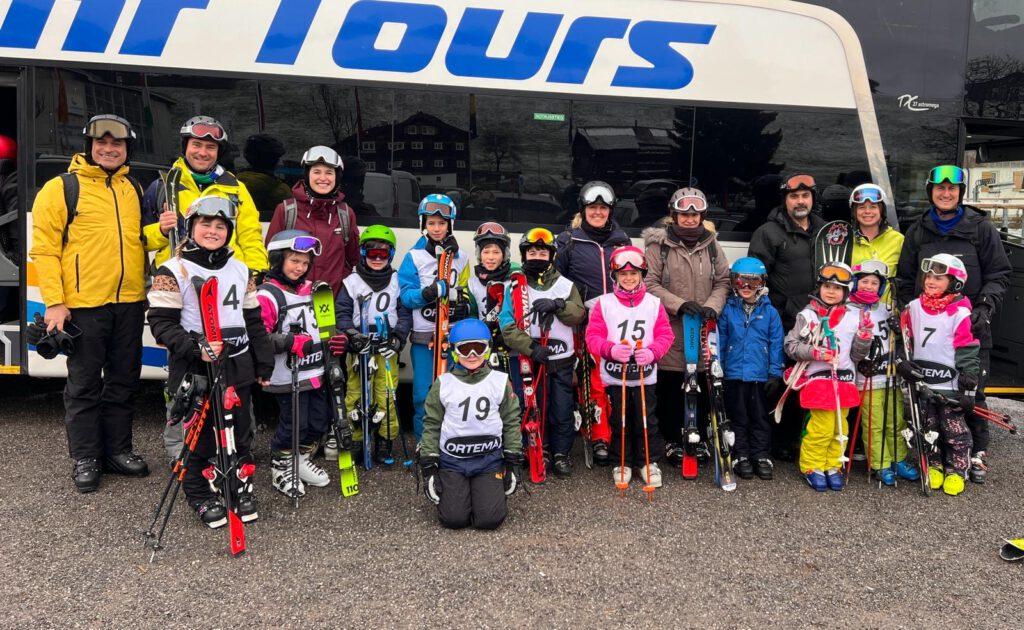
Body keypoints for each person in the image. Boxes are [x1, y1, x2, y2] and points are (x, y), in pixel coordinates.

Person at [30, 114, 158, 493]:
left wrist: (161, 229)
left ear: (126, 150)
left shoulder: (133, 187)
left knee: (123, 381)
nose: (109, 149)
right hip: (83, 305)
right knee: (84, 385)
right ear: (89, 147)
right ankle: (86, 457)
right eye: (101, 144)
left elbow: (138, 240)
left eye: (117, 145)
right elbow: (45, 250)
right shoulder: (62, 188)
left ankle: (118, 451)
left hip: (130, 302)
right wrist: (55, 302)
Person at [147, 197, 273, 527]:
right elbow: (161, 323)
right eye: (205, 224)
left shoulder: (241, 268)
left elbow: (254, 320)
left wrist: (264, 364)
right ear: (191, 227)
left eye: (221, 226)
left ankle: (238, 485)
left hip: (237, 363)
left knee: (239, 432)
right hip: (196, 367)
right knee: (199, 438)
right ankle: (199, 493)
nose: (213, 231)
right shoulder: (174, 270)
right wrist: (195, 347)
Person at [896, 165, 1010, 484]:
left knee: (970, 390)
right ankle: (936, 453)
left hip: (968, 325)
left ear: (960, 193)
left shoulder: (980, 227)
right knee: (931, 393)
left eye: (953, 189)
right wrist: (913, 311)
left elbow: (999, 274)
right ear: (930, 191)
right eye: (939, 188)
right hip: (931, 330)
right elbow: (905, 278)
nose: (946, 194)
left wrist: (985, 306)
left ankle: (975, 454)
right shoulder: (919, 230)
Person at [642, 187, 730, 467]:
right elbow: (649, 283)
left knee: (701, 384)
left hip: (702, 324)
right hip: (671, 326)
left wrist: (712, 307)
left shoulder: (712, 246)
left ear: (702, 216)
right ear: (674, 215)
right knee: (670, 387)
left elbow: (723, 281)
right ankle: (671, 439)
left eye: (695, 214)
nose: (690, 219)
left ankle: (698, 438)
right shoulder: (659, 247)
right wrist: (677, 304)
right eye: (684, 214)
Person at [748, 173, 826, 460]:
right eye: (794, 196)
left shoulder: (826, 230)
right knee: (780, 382)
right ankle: (774, 441)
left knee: (812, 379)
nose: (800, 201)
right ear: (785, 200)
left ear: (813, 199)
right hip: (783, 319)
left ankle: (801, 439)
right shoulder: (768, 232)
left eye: (805, 196)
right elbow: (755, 280)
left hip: (819, 320)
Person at [419, 318, 523, 530]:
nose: (472, 355)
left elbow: (511, 422)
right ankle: (460, 495)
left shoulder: (500, 382)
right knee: (453, 519)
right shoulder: (443, 384)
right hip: (453, 462)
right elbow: (431, 424)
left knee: (489, 520)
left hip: (488, 460)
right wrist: (429, 466)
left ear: (487, 350)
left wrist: (513, 461)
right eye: (465, 349)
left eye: (478, 348)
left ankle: (483, 494)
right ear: (455, 352)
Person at [554, 181, 630, 462]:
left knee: (620, 379)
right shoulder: (568, 241)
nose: (598, 212)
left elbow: (633, 278)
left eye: (603, 208)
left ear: (610, 210)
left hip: (621, 320)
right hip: (587, 321)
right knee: (594, 379)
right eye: (592, 208)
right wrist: (572, 308)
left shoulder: (622, 241)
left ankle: (621, 432)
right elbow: (556, 282)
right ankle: (598, 434)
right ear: (583, 210)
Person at [499, 227, 585, 478]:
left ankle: (561, 453)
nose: (537, 256)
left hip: (560, 359)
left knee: (561, 408)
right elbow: (507, 325)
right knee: (534, 406)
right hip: (532, 359)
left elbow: (578, 314)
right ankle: (539, 448)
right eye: (532, 252)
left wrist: (558, 305)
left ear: (551, 255)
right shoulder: (515, 287)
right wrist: (531, 348)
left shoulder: (566, 285)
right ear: (524, 256)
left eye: (542, 252)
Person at [585, 246, 674, 487]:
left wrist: (653, 351)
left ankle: (648, 461)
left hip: (645, 374)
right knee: (620, 419)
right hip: (616, 375)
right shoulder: (604, 304)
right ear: (614, 276)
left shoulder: (654, 303)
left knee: (646, 418)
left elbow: (665, 334)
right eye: (623, 274)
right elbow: (592, 336)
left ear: (642, 274)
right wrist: (609, 349)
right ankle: (621, 461)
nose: (628, 278)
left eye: (634, 273)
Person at [784, 262, 873, 491]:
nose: (831, 291)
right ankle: (812, 465)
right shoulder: (808, 315)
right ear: (819, 287)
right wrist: (815, 352)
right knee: (821, 427)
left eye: (837, 287)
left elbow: (857, 355)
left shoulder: (854, 316)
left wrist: (864, 336)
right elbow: (791, 346)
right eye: (826, 286)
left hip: (844, 378)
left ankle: (833, 464)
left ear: (846, 291)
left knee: (839, 426)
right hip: (819, 378)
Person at [256, 230, 333, 498]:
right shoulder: (268, 295)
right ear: (278, 260)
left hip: (315, 371)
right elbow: (259, 338)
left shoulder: (312, 289)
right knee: (294, 424)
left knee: (317, 422)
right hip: (287, 375)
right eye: (294, 261)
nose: (300, 268)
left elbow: (324, 327)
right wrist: (289, 341)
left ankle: (298, 461)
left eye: (304, 263)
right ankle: (281, 467)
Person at [897, 254, 980, 496]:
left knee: (953, 429)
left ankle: (957, 470)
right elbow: (905, 339)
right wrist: (903, 361)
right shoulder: (913, 307)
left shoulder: (960, 312)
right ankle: (933, 465)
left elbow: (967, 347)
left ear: (955, 283)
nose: (931, 281)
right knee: (926, 426)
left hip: (948, 382)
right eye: (929, 276)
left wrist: (968, 381)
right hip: (922, 380)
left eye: (939, 278)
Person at [142, 115, 269, 274]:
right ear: (185, 147)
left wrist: (256, 273)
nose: (202, 152)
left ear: (218, 152)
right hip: (178, 281)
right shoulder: (162, 187)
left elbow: (251, 238)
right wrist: (161, 230)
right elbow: (142, 242)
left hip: (227, 279)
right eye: (196, 145)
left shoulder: (236, 188)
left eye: (210, 147)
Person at [397, 194, 472, 439]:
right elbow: (406, 296)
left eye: (442, 223)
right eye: (431, 223)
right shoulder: (414, 257)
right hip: (424, 335)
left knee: (454, 392)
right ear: (423, 224)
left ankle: (451, 442)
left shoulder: (461, 257)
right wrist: (427, 293)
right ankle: (424, 445)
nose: (437, 228)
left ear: (450, 224)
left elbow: (466, 290)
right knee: (423, 394)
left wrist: (464, 306)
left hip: (452, 336)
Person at [337, 224, 412, 464]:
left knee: (386, 394)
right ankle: (357, 438)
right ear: (362, 254)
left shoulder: (397, 281)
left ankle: (385, 440)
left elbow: (404, 313)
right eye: (372, 253)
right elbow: (342, 313)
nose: (377, 258)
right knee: (356, 393)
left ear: (390, 255)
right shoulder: (352, 282)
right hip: (359, 346)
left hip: (385, 345)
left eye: (383, 253)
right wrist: (350, 335)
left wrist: (398, 337)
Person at [847, 260, 919, 485]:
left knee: (895, 420)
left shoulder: (888, 309)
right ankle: (880, 462)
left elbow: (904, 340)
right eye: (864, 282)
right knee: (874, 423)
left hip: (889, 377)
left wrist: (900, 328)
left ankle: (898, 459)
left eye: (874, 282)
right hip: (867, 378)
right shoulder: (847, 310)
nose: (868, 286)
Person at [716, 257, 785, 481]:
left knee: (759, 417)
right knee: (739, 416)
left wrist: (775, 373)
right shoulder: (728, 310)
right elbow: (721, 340)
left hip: (759, 375)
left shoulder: (770, 313)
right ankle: (741, 454)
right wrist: (720, 369)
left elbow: (776, 343)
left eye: (752, 283)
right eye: (740, 282)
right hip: (735, 374)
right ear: (733, 283)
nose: (746, 288)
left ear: (762, 283)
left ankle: (760, 455)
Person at [266, 146, 359, 295]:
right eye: (316, 172)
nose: (323, 178)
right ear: (307, 175)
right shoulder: (286, 210)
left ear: (337, 177)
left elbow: (352, 259)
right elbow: (272, 257)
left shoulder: (346, 214)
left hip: (331, 301)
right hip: (292, 300)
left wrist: (340, 287)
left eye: (329, 173)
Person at [467, 222, 520, 383]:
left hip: (512, 349)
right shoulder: (472, 283)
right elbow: (473, 316)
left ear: (504, 255)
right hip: (485, 349)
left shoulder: (515, 279)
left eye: (496, 252)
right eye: (486, 251)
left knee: (514, 393)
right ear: (479, 254)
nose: (490, 257)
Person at [237, 134, 292, 219]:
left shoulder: (232, 183)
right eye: (277, 158)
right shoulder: (282, 191)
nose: (280, 162)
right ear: (274, 162)